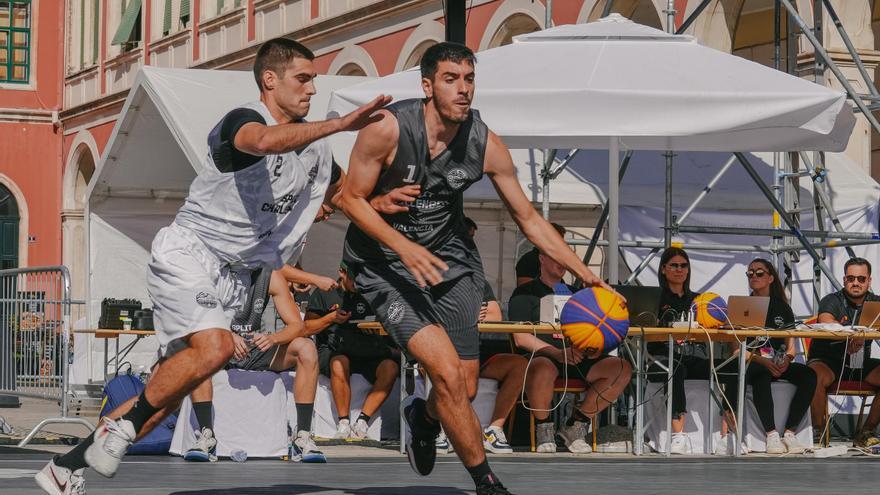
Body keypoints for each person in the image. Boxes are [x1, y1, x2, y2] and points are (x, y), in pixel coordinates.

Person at [36, 37, 390, 494]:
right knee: (218, 348)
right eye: (302, 78)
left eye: (314, 80)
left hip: (237, 275)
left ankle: (65, 468)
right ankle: (120, 431)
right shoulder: (243, 122)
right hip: (191, 253)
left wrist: (384, 203)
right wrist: (339, 123)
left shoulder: (316, 152)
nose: (311, 88)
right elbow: (261, 142)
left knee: (167, 392)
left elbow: (342, 197)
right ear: (269, 79)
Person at [339, 42, 613, 495]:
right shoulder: (386, 129)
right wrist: (403, 245)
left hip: (450, 259)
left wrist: (584, 273)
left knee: (462, 388)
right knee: (445, 372)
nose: (462, 89)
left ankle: (423, 419)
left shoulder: (485, 142)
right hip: (384, 262)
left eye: (469, 79)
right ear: (427, 86)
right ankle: (486, 482)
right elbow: (349, 198)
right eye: (451, 79)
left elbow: (528, 218)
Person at [183, 268, 326, 463]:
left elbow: (297, 325)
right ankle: (207, 436)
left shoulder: (270, 276)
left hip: (255, 348)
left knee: (307, 349)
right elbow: (196, 317)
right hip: (220, 346)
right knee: (197, 350)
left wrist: (273, 338)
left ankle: (303, 436)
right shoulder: (215, 271)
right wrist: (227, 336)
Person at [507, 250, 632, 454]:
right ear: (542, 259)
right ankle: (544, 428)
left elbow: (597, 330)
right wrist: (555, 353)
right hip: (545, 357)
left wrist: (592, 349)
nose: (562, 263)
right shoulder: (524, 293)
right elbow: (520, 337)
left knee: (621, 368)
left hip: (579, 356)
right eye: (557, 257)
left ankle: (575, 426)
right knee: (541, 368)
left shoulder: (579, 294)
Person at [645, 247, 738, 455]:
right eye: (674, 265)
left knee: (733, 368)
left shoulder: (701, 301)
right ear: (663, 270)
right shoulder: (654, 299)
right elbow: (644, 334)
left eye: (683, 265)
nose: (679, 270)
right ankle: (678, 436)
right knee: (675, 369)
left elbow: (722, 323)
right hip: (661, 359)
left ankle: (726, 436)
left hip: (694, 357)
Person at [717, 259, 815, 454]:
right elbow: (737, 350)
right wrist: (763, 360)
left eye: (759, 273)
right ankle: (771, 434)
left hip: (778, 363)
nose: (754, 276)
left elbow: (791, 347)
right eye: (750, 273)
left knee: (809, 375)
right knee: (761, 374)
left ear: (770, 278)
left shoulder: (783, 307)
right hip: (754, 362)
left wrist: (786, 360)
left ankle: (790, 432)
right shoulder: (742, 305)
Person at [306, 262, 400, 440]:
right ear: (341, 272)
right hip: (334, 349)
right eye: (354, 277)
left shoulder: (371, 293)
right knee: (340, 362)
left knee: (391, 367)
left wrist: (376, 328)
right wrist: (331, 318)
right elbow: (308, 327)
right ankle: (344, 422)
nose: (358, 282)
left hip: (368, 350)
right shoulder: (325, 293)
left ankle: (363, 421)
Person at [808, 257, 880, 448]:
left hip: (859, 364)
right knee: (815, 375)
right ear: (844, 279)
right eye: (851, 278)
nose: (855, 282)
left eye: (861, 279)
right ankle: (818, 432)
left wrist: (865, 336)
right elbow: (825, 318)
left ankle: (866, 432)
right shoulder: (832, 299)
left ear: (869, 281)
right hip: (827, 361)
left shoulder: (876, 303)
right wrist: (851, 335)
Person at [514, 223, 566, 287]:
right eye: (557, 240)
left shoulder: (556, 259)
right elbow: (525, 288)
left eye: (561, 241)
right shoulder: (529, 259)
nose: (560, 245)